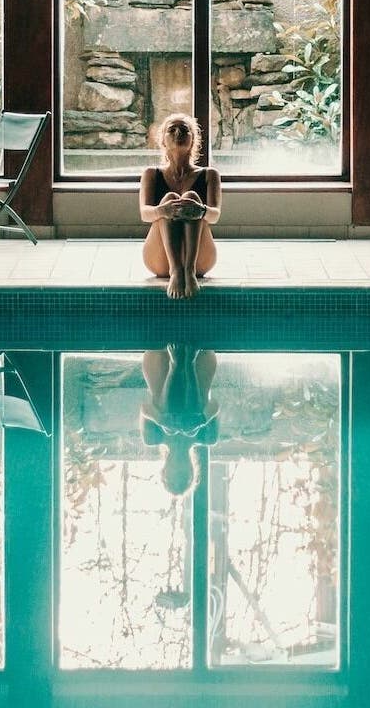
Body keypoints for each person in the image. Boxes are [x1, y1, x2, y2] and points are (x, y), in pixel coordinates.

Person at [140, 112, 221, 299]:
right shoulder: (151, 174)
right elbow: (145, 214)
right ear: (163, 140)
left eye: (184, 130)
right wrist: (163, 210)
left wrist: (200, 210)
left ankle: (189, 269)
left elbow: (215, 216)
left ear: (193, 140)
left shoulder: (209, 175)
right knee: (169, 198)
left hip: (201, 259)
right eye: (172, 130)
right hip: (160, 260)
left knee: (191, 197)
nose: (178, 133)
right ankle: (176, 270)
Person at [142, 344, 220, 496]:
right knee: (191, 428)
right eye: (182, 475)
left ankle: (176, 365)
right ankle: (188, 365)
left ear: (165, 470)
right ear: (191, 469)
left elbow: (144, 408)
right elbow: (215, 405)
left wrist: (161, 420)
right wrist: (201, 420)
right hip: (201, 362)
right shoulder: (207, 438)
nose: (178, 468)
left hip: (159, 362)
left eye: (174, 474)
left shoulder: (153, 438)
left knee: (169, 428)